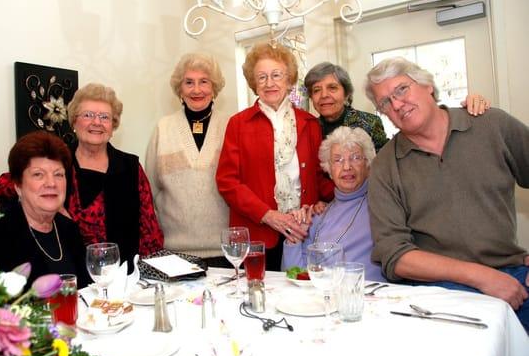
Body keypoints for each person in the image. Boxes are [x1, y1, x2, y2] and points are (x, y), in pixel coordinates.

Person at [365, 56, 529, 330]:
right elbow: (396, 256)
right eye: (385, 102)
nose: (396, 104)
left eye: (401, 89)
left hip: (512, 277)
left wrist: (496, 277)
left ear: (427, 85)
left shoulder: (491, 125)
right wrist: (481, 277)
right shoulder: (384, 165)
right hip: (438, 292)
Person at [0, 83, 164, 269]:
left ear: (113, 126)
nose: (96, 122)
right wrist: (51, 202)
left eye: (104, 117)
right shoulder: (57, 162)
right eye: (88, 115)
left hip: (121, 276)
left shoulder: (129, 166)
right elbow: (5, 184)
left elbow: (149, 229)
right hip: (68, 273)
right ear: (74, 121)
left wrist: (147, 276)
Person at [216, 42, 334, 271]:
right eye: (261, 77)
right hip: (257, 234)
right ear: (253, 83)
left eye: (276, 75)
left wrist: (330, 199)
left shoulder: (309, 123)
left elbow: (320, 176)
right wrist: (268, 215)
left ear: (289, 80)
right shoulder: (238, 124)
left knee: (303, 298)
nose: (269, 83)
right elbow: (227, 182)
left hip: (303, 231)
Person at [0, 131, 90, 287]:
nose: (51, 183)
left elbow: (86, 290)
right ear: (18, 185)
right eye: (38, 174)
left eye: (58, 175)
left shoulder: (69, 229)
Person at [145, 53, 230, 267]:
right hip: (174, 253)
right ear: (179, 89)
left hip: (227, 252)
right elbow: (149, 191)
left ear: (214, 87)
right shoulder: (162, 128)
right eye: (189, 82)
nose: (197, 90)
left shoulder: (232, 126)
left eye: (204, 82)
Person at [305, 61, 490, 152]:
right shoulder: (307, 129)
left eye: (332, 88)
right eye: (316, 90)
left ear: (346, 93)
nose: (324, 96)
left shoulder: (368, 122)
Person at [282, 126, 384, 282]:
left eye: (355, 158)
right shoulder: (318, 214)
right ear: (328, 168)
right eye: (338, 160)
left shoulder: (384, 206)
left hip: (367, 298)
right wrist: (295, 237)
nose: (347, 167)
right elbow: (295, 276)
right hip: (321, 299)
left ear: (368, 164)